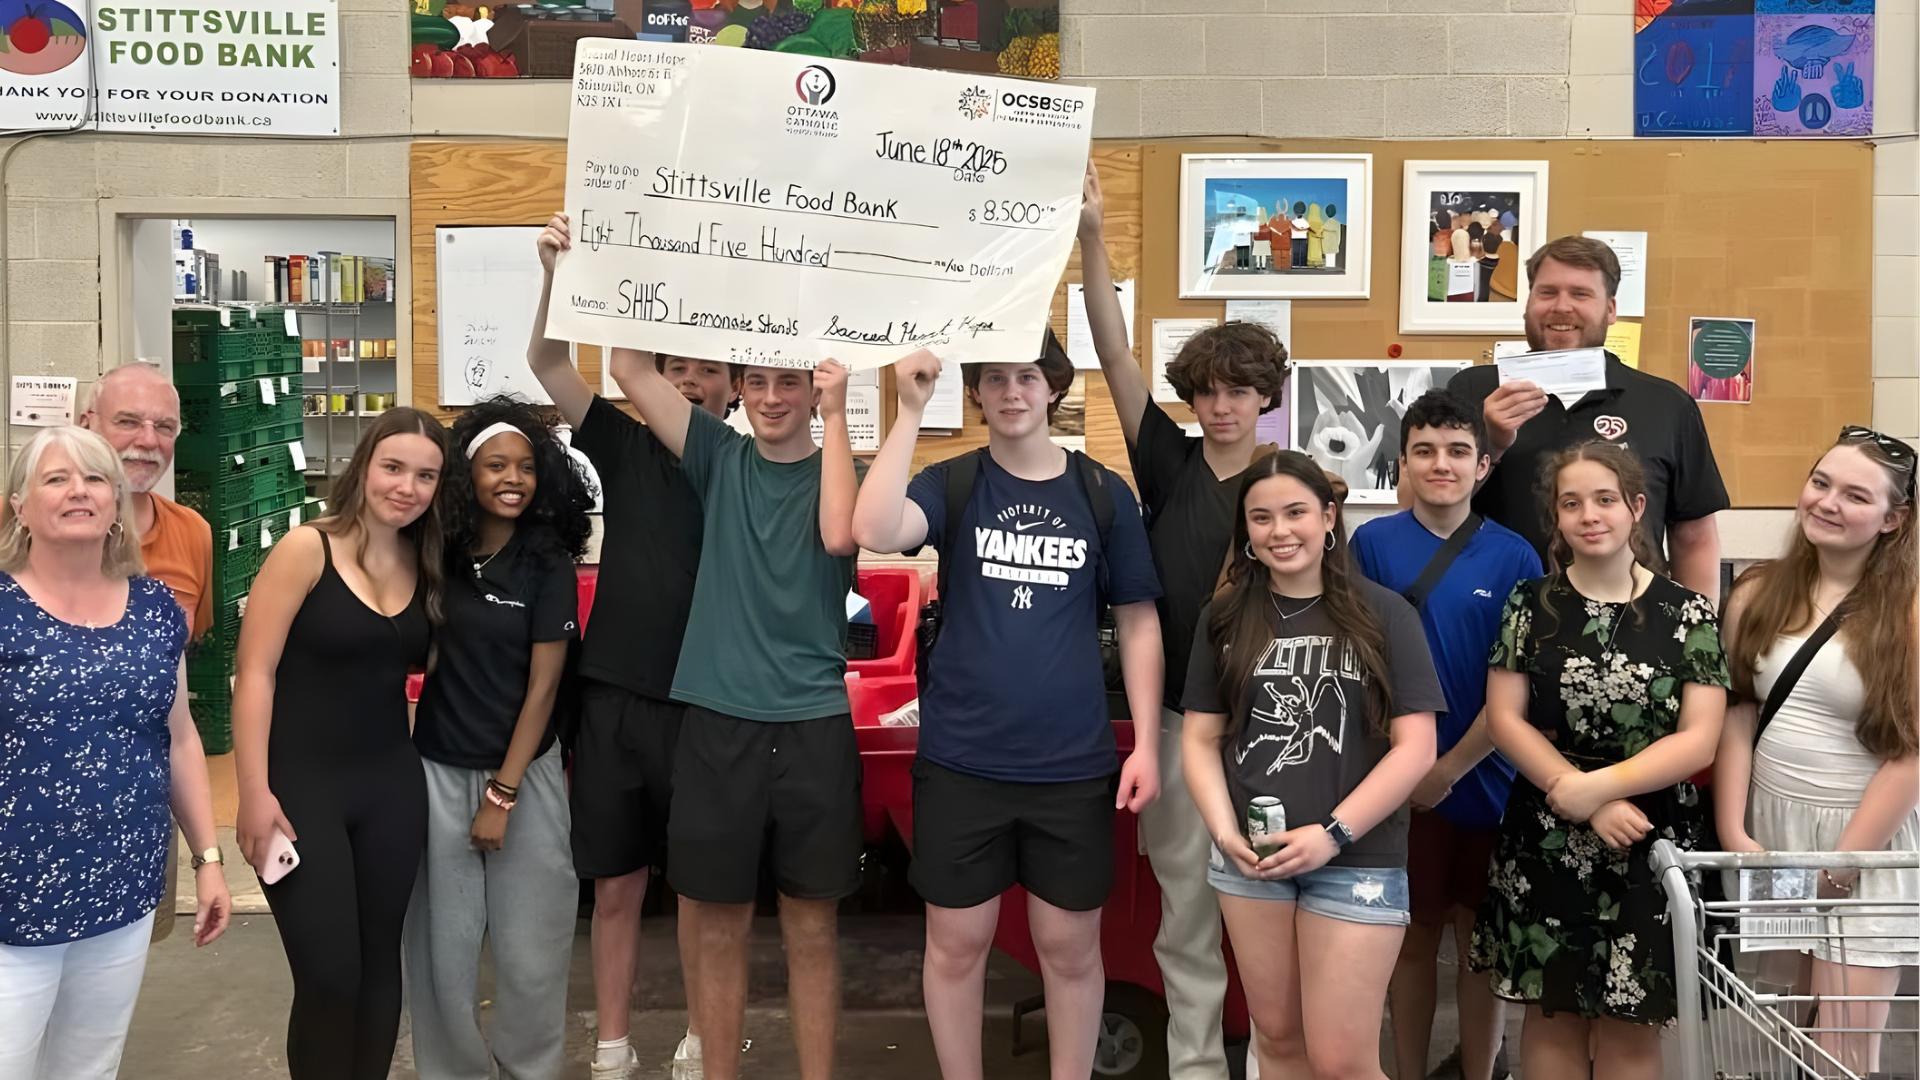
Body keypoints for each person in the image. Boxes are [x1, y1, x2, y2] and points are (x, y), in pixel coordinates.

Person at [853, 341, 1163, 1080]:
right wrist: (911, 408)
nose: (1012, 391)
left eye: (1027, 377)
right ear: (979, 394)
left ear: (1053, 389)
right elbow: (874, 529)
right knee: (956, 945)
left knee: (1069, 949)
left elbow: (1140, 619)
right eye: (995, 378)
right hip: (963, 761)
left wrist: (1146, 744)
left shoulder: (1101, 491)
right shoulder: (954, 482)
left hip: (1071, 765)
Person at [601, 300, 860, 1080]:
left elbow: (840, 535)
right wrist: (615, 263)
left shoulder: (844, 472)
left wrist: (842, 411)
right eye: (756, 381)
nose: (772, 397)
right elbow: (626, 367)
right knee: (719, 926)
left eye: (790, 381)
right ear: (738, 391)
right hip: (718, 726)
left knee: (812, 931)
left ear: (814, 392)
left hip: (813, 726)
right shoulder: (717, 456)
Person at [1078, 162, 1290, 1080]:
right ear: (1193, 395)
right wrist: (1093, 235)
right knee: (1186, 907)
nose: (1223, 403)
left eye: (1240, 390)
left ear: (1264, 397)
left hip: (1273, 727)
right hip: (1173, 723)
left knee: (1277, 907)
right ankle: (1198, 1065)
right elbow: (1116, 353)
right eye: (1208, 389)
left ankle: (1276, 1062)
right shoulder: (1165, 459)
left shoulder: (1291, 490)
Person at [529, 213, 730, 1080]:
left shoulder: (742, 465)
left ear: (733, 385)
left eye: (705, 371)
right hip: (612, 696)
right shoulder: (619, 443)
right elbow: (546, 365)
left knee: (697, 889)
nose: (687, 383)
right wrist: (559, 273)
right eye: (674, 368)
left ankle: (699, 1034)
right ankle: (611, 1044)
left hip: (704, 702)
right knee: (614, 885)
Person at [1182, 450, 1445, 1080]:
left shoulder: (1384, 613)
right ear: (1245, 532)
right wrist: (1224, 834)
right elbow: (1198, 740)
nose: (1280, 531)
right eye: (1262, 517)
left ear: (1328, 517)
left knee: (1343, 1061)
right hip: (1252, 862)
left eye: (1296, 512)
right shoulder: (1223, 617)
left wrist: (1332, 835)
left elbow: (1417, 747)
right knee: (1276, 1039)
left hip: (1356, 859)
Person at [1469, 440, 1728, 1080]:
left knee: (1631, 1023)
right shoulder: (1529, 606)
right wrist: (1579, 793)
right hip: (1547, 829)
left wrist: (1603, 791)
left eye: (1605, 499)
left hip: (1650, 836)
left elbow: (1700, 738)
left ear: (1636, 508)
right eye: (1572, 503)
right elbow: (1505, 717)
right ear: (1555, 518)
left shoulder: (1687, 612)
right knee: (1551, 1015)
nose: (1590, 514)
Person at [0, 425, 230, 1080]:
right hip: (11, 897)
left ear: (117, 502)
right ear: (20, 505)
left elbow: (179, 735)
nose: (79, 491)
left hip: (120, 888)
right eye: (56, 478)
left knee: (89, 1068)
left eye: (96, 478)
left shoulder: (157, 609)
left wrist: (208, 860)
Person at [233, 407, 448, 1080]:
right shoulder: (307, 549)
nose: (406, 487)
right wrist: (253, 792)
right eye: (393, 468)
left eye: (425, 476)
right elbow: (255, 673)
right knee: (330, 974)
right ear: (364, 468)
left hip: (390, 787)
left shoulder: (429, 564)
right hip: (300, 789)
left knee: (381, 968)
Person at [1713, 428, 1918, 1077]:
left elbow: (1911, 752)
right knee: (1787, 1026)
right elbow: (1739, 713)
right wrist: (1732, 832)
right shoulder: (1755, 592)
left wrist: (1841, 863)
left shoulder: (1908, 612)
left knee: (1845, 1048)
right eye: (1821, 482)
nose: (1827, 502)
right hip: (1776, 836)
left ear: (1893, 520)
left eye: (1855, 495)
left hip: (1865, 844)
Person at [1352, 392, 1541, 1080]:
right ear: (1403, 462)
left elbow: (1519, 683)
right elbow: (1362, 667)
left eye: (1458, 451)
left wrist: (1450, 768)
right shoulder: (1371, 545)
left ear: (1484, 466)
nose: (1442, 464)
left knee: (1478, 948)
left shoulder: (1515, 555)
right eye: (1425, 451)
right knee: (1410, 939)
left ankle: (1479, 1072)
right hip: (1402, 784)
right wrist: (1406, 771)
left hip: (1490, 777)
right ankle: (1406, 1069)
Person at [404, 397, 595, 1080]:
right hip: (437, 774)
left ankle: (530, 1071)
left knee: (531, 950)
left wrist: (503, 793)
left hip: (524, 778)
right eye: (494, 465)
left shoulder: (546, 564)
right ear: (466, 475)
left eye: (524, 466)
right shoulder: (436, 554)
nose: (511, 478)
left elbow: (544, 689)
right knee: (441, 955)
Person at [1447, 236, 1729, 601]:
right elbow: (1415, 505)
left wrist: (1699, 637)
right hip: (1488, 617)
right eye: (1547, 293)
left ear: (1611, 309)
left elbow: (1694, 538)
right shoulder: (1471, 390)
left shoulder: (1666, 404)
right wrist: (1490, 444)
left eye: (1580, 294)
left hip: (1630, 630)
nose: (1561, 307)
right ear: (1528, 304)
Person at [79, 362, 215, 948]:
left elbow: (176, 712)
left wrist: (205, 853)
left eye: (164, 426)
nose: (147, 441)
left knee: (109, 1006)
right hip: (26, 820)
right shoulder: (15, 523)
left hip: (137, 818)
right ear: (88, 424)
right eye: (128, 421)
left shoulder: (192, 535)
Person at [1322, 204, 1341, 273]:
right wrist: (1337, 245)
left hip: (1326, 247)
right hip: (1334, 246)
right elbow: (1339, 237)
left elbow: (1323, 237)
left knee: (1327, 267)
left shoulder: (1324, 225)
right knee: (1332, 267)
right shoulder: (1337, 224)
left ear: (1326, 213)